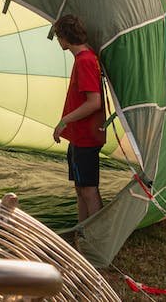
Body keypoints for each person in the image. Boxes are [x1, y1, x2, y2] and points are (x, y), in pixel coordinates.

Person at [52, 14, 105, 222]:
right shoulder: (84, 57)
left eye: (58, 36)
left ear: (64, 37)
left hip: (85, 137)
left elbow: (94, 102)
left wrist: (64, 120)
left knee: (89, 191)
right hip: (79, 137)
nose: (58, 41)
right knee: (81, 189)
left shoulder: (85, 60)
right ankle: (83, 234)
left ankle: (98, 240)